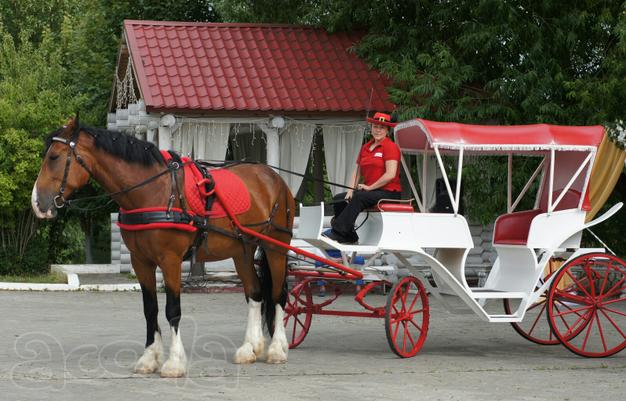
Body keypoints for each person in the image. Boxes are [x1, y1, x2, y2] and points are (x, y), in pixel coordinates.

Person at [323, 112, 402, 244]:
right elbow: (357, 171)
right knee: (340, 199)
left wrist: (370, 187)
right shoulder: (365, 147)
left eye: (382, 128)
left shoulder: (391, 147)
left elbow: (390, 174)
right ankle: (349, 236)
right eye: (375, 127)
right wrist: (350, 191)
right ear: (371, 127)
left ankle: (338, 231)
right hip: (371, 192)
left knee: (359, 197)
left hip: (389, 192)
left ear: (387, 130)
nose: (378, 130)